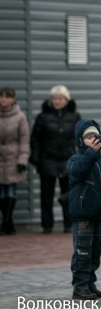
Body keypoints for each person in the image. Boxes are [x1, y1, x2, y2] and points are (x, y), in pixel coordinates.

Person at [67, 119, 101, 300]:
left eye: (95, 135)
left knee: (95, 250)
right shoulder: (76, 159)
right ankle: (80, 286)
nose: (93, 139)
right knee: (82, 251)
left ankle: (90, 283)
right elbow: (77, 172)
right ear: (80, 140)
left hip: (98, 212)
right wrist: (91, 154)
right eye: (88, 137)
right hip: (83, 213)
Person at [30, 85, 81, 234]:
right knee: (46, 195)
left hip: (68, 160)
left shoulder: (74, 116)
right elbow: (35, 139)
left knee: (69, 194)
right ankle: (47, 225)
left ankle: (68, 224)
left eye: (60, 99)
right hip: (47, 161)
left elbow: (81, 138)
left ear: (66, 100)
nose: (57, 101)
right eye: (54, 99)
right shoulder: (43, 117)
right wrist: (36, 158)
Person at [0, 87, 30, 235]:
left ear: (13, 99)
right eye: (1, 96)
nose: (3, 99)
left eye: (7, 97)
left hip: (13, 158)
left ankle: (6, 222)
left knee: (10, 191)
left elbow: (24, 140)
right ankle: (8, 223)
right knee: (1, 192)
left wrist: (22, 160)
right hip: (0, 159)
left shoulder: (20, 117)